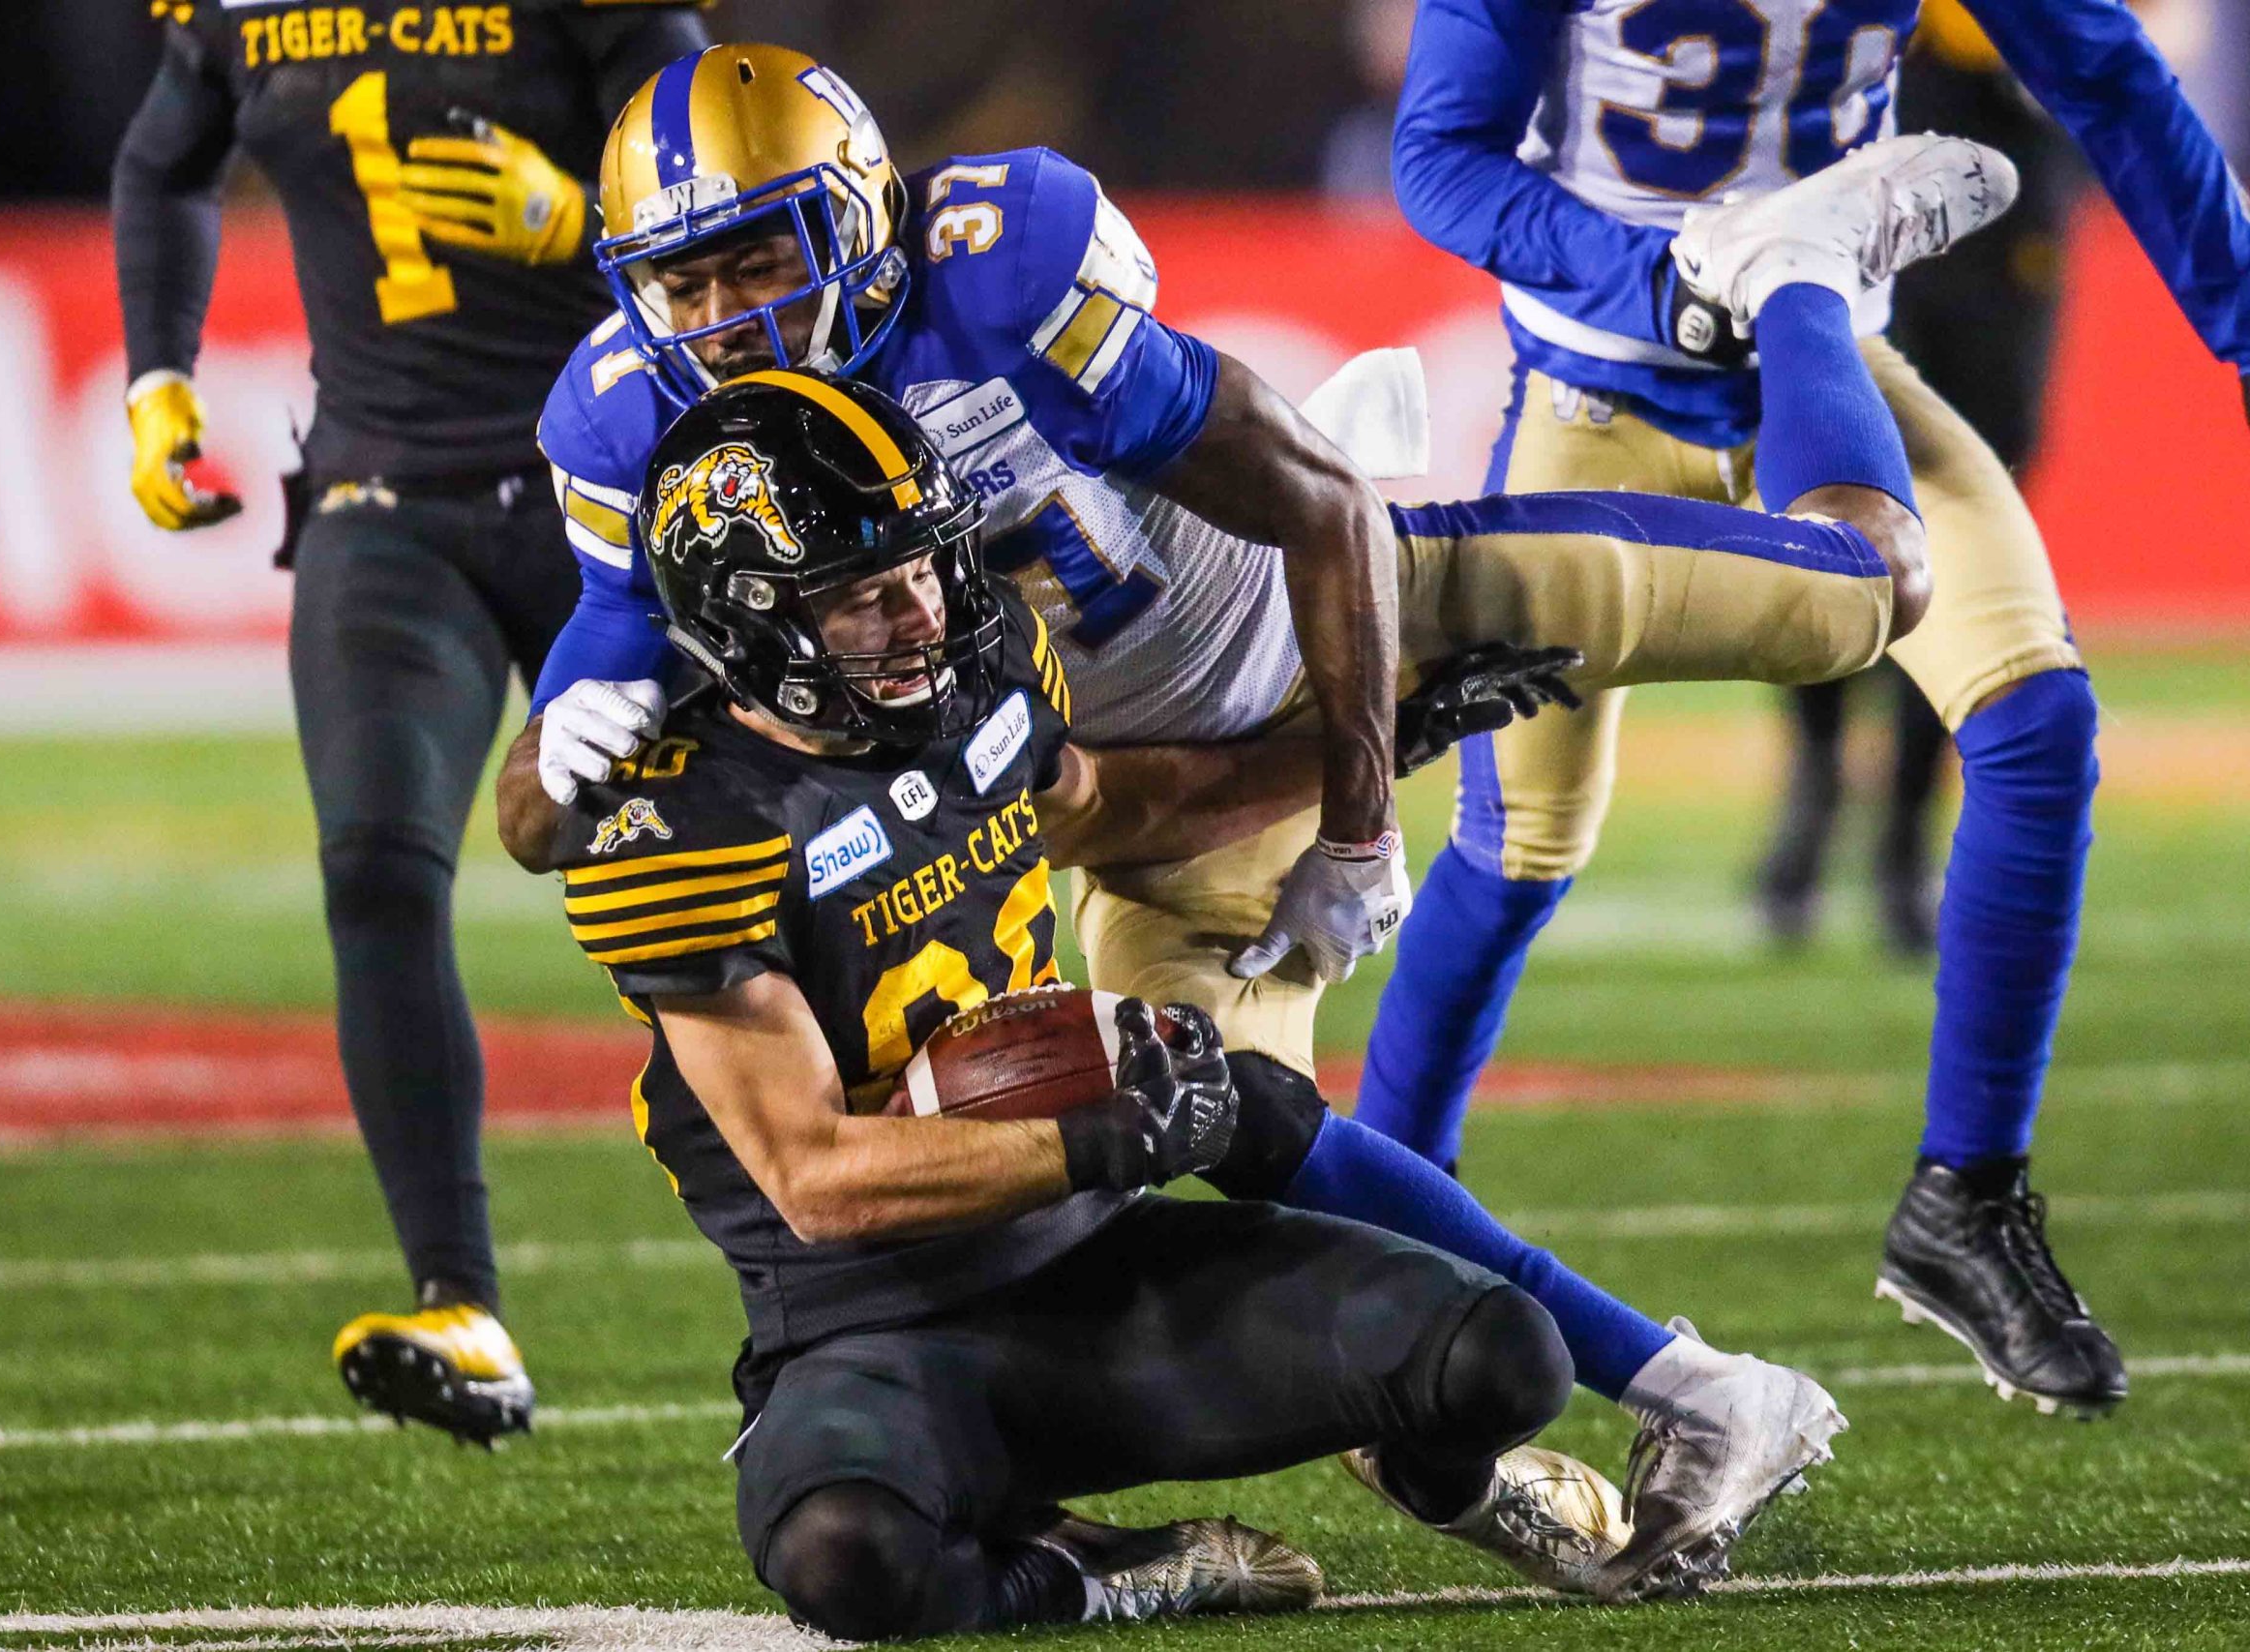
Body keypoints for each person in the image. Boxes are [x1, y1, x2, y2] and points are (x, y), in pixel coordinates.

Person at [541, 369, 1736, 1635]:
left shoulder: (981, 666)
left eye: (926, 568)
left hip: (1094, 1255)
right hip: (876, 1328)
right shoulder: (685, 828)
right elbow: (815, 1176)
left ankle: (1457, 1483)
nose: (918, 614)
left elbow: (1115, 807)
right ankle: (1097, 1568)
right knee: (848, 1555)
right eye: (860, 597)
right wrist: (1112, 1135)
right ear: (751, 621)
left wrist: (1367, 737)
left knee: (1502, 1356)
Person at [1373, 0, 2250, 1421]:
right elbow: (1443, 157)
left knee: (2039, 722)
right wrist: (1663, 280)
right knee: (1522, 842)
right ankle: (1385, 1216)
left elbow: (2105, 75)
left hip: (1824, 373)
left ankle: (1966, 1197)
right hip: (1602, 390)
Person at [110, 0, 708, 1443]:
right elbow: (161, 162)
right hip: (389, 498)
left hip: (612, 490)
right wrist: (157, 373)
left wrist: (579, 220)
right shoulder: (241, 14)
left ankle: (911, 1247)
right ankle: (462, 1298)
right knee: (376, 869)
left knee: (767, 866)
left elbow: (737, 188)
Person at [1755, 0, 2086, 957]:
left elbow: (2139, 45)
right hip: (1868, 262)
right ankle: (1816, 779)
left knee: (1957, 564)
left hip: (2003, 261)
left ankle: (1902, 837)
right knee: (1829, 534)